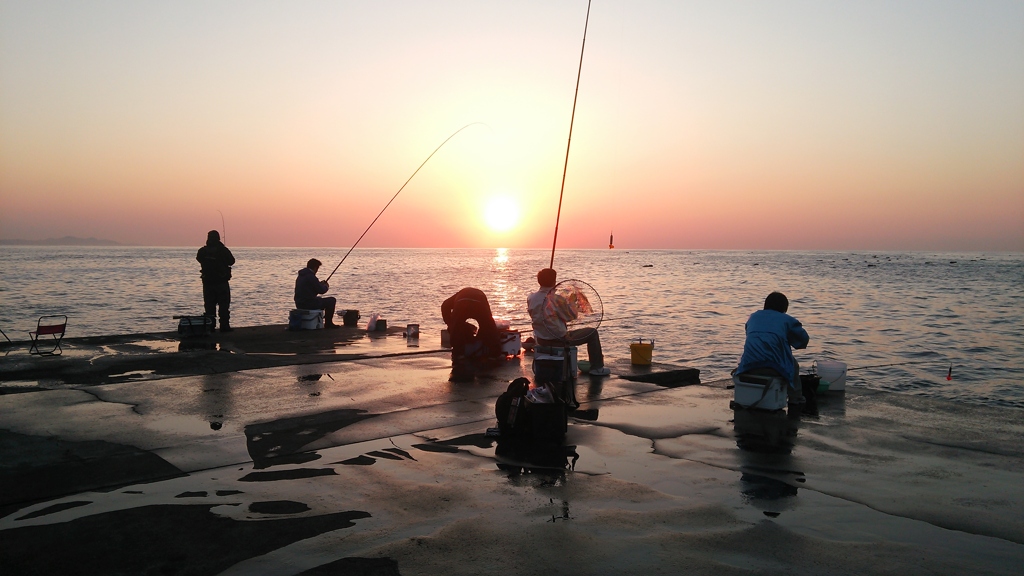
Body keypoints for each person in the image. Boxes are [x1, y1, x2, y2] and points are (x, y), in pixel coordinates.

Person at [527, 268, 610, 376]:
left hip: (541, 339)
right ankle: (597, 368)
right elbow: (571, 317)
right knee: (592, 333)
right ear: (554, 282)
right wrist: (572, 302)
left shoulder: (531, 297)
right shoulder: (556, 299)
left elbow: (537, 315)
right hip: (560, 339)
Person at [735, 291, 810, 405]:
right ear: (785, 309)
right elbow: (802, 341)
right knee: (793, 364)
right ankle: (796, 398)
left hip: (748, 366)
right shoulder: (787, 320)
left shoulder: (753, 317)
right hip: (775, 366)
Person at [441, 287, 501, 361]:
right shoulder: (479, 294)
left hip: (462, 304)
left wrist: (450, 324)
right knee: (488, 326)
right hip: (479, 303)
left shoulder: (457, 296)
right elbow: (488, 321)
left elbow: (444, 305)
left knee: (456, 327)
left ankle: (458, 354)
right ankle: (494, 354)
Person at [196, 230, 235, 332]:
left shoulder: (202, 251)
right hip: (221, 282)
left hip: (207, 283)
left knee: (209, 307)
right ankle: (224, 326)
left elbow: (199, 259)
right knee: (223, 305)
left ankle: (210, 326)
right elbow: (232, 261)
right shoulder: (223, 250)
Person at [294, 258, 339, 328]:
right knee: (332, 300)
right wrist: (326, 286)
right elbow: (321, 291)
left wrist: (319, 284)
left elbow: (310, 288)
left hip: (299, 303)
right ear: (315, 267)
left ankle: (321, 319)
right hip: (308, 304)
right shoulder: (311, 276)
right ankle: (328, 323)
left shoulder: (301, 276)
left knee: (319, 299)